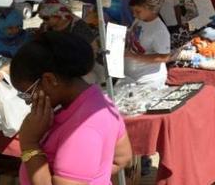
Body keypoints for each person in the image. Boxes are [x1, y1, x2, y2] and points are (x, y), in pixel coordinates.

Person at [11, 32, 132, 185]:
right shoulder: (100, 101)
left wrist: (29, 143)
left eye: (28, 93)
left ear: (49, 79)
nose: (29, 102)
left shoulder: (83, 128)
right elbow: (121, 159)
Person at [120, 0, 171, 88]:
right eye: (133, 11)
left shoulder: (159, 30)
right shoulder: (139, 20)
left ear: (151, 9)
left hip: (148, 80)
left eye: (138, 11)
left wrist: (135, 57)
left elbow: (165, 57)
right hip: (132, 77)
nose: (134, 15)